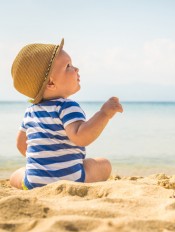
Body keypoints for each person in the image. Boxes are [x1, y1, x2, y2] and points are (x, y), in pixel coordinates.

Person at [9, 39, 123, 190]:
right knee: (103, 164)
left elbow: (21, 144)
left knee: (16, 175)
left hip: (35, 182)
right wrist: (104, 114)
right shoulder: (67, 106)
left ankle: (32, 179)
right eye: (68, 66)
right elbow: (81, 137)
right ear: (51, 83)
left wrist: (45, 162)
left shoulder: (31, 111)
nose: (76, 69)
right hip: (71, 179)